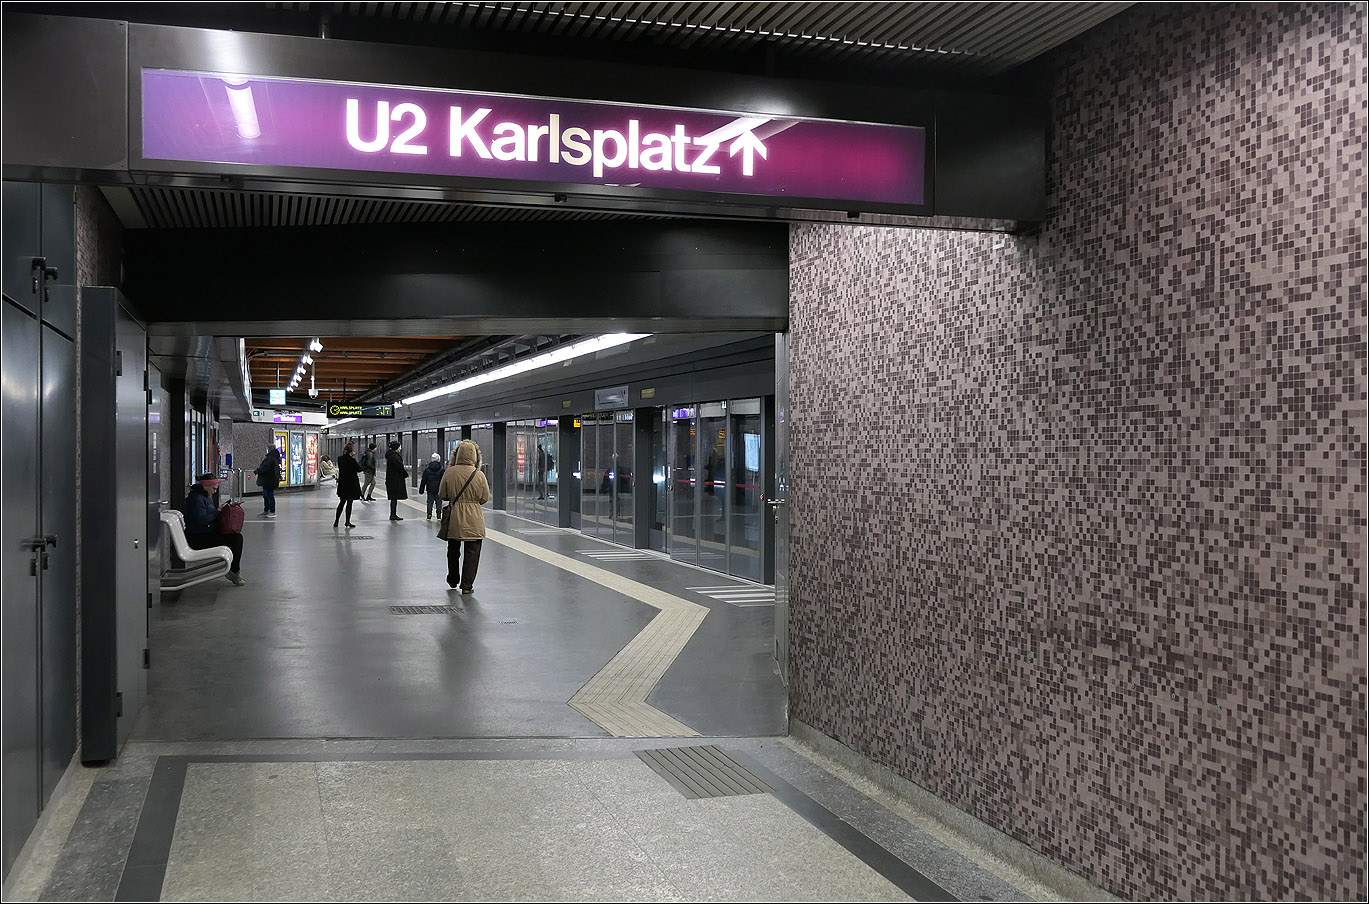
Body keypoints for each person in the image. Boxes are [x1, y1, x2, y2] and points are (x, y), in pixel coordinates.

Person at [439, 439, 490, 593]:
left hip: (455, 516)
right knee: (472, 552)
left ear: (457, 455)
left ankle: (453, 579)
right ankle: (467, 586)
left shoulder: (450, 472)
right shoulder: (479, 474)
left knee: (453, 549)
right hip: (474, 517)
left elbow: (442, 494)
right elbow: (484, 498)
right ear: (475, 456)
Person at [183, 473, 246, 585]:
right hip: (197, 538)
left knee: (235, 536)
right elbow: (204, 520)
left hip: (204, 533)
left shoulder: (204, 496)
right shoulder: (197, 499)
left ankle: (234, 570)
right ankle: (234, 571)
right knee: (236, 539)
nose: (215, 492)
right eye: (213, 488)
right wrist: (218, 511)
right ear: (205, 486)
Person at [334, 442, 362, 528]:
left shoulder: (340, 459)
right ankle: (347, 521)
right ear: (351, 451)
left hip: (343, 484)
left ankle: (336, 521)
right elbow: (359, 469)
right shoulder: (352, 460)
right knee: (349, 503)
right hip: (351, 484)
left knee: (342, 502)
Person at [254, 444, 281, 517]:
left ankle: (272, 511)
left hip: (269, 480)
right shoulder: (274, 457)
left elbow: (265, 468)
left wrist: (257, 471)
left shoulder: (270, 458)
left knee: (269, 495)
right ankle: (267, 510)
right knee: (266, 495)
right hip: (269, 480)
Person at [385, 440, 409, 521]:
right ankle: (393, 515)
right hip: (395, 480)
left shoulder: (391, 456)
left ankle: (393, 514)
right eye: (400, 446)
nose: (401, 448)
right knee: (394, 498)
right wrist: (405, 474)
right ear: (396, 447)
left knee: (393, 498)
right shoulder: (395, 457)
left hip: (391, 480)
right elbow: (399, 468)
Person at [418, 452, 445, 520]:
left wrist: (421, 489)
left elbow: (423, 480)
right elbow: (444, 480)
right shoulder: (442, 469)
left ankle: (429, 515)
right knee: (438, 502)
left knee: (430, 501)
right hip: (439, 488)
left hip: (430, 488)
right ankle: (439, 515)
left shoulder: (427, 469)